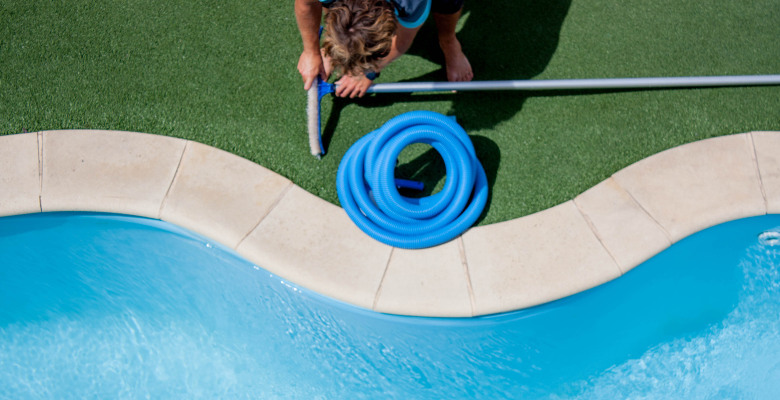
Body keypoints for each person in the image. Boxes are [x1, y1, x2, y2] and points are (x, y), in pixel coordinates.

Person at [295, 0, 473, 98]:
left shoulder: (410, 2)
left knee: (448, 2)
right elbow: (306, 3)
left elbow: (402, 41)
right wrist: (311, 52)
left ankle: (448, 41)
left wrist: (368, 72)